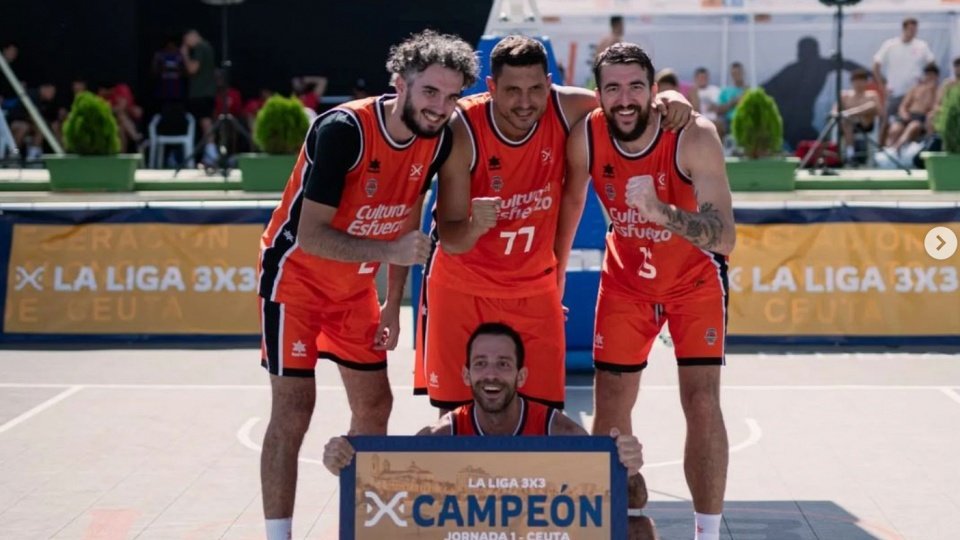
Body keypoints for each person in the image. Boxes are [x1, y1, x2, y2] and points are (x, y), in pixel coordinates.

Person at [257, 29, 478, 540]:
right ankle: (278, 535)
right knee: (294, 410)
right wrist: (389, 254)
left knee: (376, 405)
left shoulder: (439, 136)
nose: (440, 106)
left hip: (355, 288)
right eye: (430, 92)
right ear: (399, 83)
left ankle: (360, 526)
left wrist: (391, 301)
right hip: (295, 281)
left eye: (451, 96)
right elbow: (311, 236)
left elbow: (406, 217)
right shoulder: (344, 130)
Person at [414, 35, 693, 413]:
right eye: (512, 91)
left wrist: (670, 99)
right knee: (457, 418)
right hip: (463, 286)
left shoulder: (568, 107)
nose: (526, 103)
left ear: (549, 83)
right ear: (491, 87)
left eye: (535, 89)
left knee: (542, 418)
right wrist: (474, 226)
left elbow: (626, 102)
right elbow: (450, 239)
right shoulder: (463, 127)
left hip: (533, 288)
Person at [556, 42, 736, 540]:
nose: (625, 98)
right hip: (627, 280)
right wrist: (553, 279)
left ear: (654, 92)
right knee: (610, 402)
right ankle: (612, 519)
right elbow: (571, 207)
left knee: (701, 401)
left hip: (693, 280)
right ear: (599, 95)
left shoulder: (691, 134)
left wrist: (663, 213)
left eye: (636, 86)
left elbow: (725, 238)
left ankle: (707, 532)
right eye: (612, 88)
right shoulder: (587, 136)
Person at [326, 322, 657, 538]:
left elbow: (636, 499)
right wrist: (342, 461)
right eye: (481, 364)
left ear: (521, 377)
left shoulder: (558, 430)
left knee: (640, 530)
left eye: (503, 364)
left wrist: (628, 466)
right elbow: (378, 502)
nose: (491, 374)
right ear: (467, 376)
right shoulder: (442, 435)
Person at [873, 18, 936, 138]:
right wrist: (882, 85)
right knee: (886, 122)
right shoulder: (890, 45)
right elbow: (876, 65)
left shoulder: (921, 46)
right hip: (895, 92)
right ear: (904, 29)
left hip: (913, 95)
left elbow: (931, 64)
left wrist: (925, 83)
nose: (913, 32)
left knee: (912, 124)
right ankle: (880, 150)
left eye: (915, 30)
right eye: (911, 29)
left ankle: (910, 153)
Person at [885, 62, 939, 154]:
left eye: (932, 75)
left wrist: (930, 91)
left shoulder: (938, 90)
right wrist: (904, 114)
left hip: (922, 118)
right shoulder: (915, 89)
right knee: (895, 129)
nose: (929, 77)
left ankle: (897, 148)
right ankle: (888, 151)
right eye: (927, 74)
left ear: (936, 77)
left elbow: (934, 106)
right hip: (909, 115)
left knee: (913, 127)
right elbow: (903, 105)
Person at [833, 69, 881, 162]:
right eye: (856, 81)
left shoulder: (872, 95)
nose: (859, 84)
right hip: (847, 125)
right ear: (852, 82)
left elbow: (879, 112)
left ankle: (851, 114)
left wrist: (855, 112)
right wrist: (845, 115)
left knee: (871, 105)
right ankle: (850, 153)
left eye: (862, 81)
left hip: (866, 124)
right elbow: (834, 112)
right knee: (846, 120)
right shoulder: (845, 95)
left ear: (866, 82)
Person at [717, 61, 748, 130]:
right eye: (734, 74)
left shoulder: (750, 91)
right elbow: (719, 111)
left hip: (747, 119)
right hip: (730, 120)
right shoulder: (725, 91)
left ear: (743, 73)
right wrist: (732, 102)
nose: (737, 76)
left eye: (739, 73)